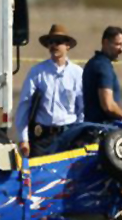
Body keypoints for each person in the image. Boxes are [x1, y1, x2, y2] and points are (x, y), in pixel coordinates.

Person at [15, 24, 84, 157]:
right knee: (37, 175)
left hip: (68, 136)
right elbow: (25, 104)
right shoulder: (37, 72)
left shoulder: (77, 73)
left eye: (58, 42)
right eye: (50, 42)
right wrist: (23, 139)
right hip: (42, 138)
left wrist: (78, 134)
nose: (54, 45)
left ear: (67, 46)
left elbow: (82, 108)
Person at [82, 26, 122, 124]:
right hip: (102, 128)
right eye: (118, 44)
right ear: (105, 43)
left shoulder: (93, 63)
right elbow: (108, 105)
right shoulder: (103, 67)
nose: (121, 49)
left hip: (90, 125)